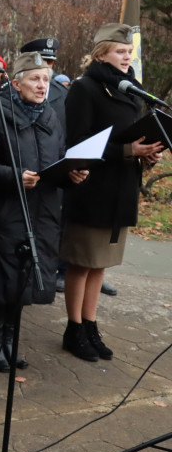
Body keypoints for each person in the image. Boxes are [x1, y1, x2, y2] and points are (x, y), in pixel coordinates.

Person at [0, 52, 89, 372]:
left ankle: (10, 340)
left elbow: (58, 160)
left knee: (25, 277)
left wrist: (72, 175)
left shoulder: (51, 117)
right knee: (2, 278)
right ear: (17, 81)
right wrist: (15, 177)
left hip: (42, 212)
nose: (42, 86)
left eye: (46, 80)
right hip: (6, 212)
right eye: (35, 79)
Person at [59, 23, 163, 361]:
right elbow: (76, 145)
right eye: (120, 51)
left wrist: (147, 152)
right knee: (82, 262)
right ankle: (73, 329)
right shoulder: (85, 88)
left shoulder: (132, 89)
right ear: (102, 52)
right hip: (92, 188)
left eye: (129, 53)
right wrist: (128, 151)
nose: (126, 57)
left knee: (100, 264)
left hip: (121, 189)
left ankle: (90, 324)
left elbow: (133, 135)